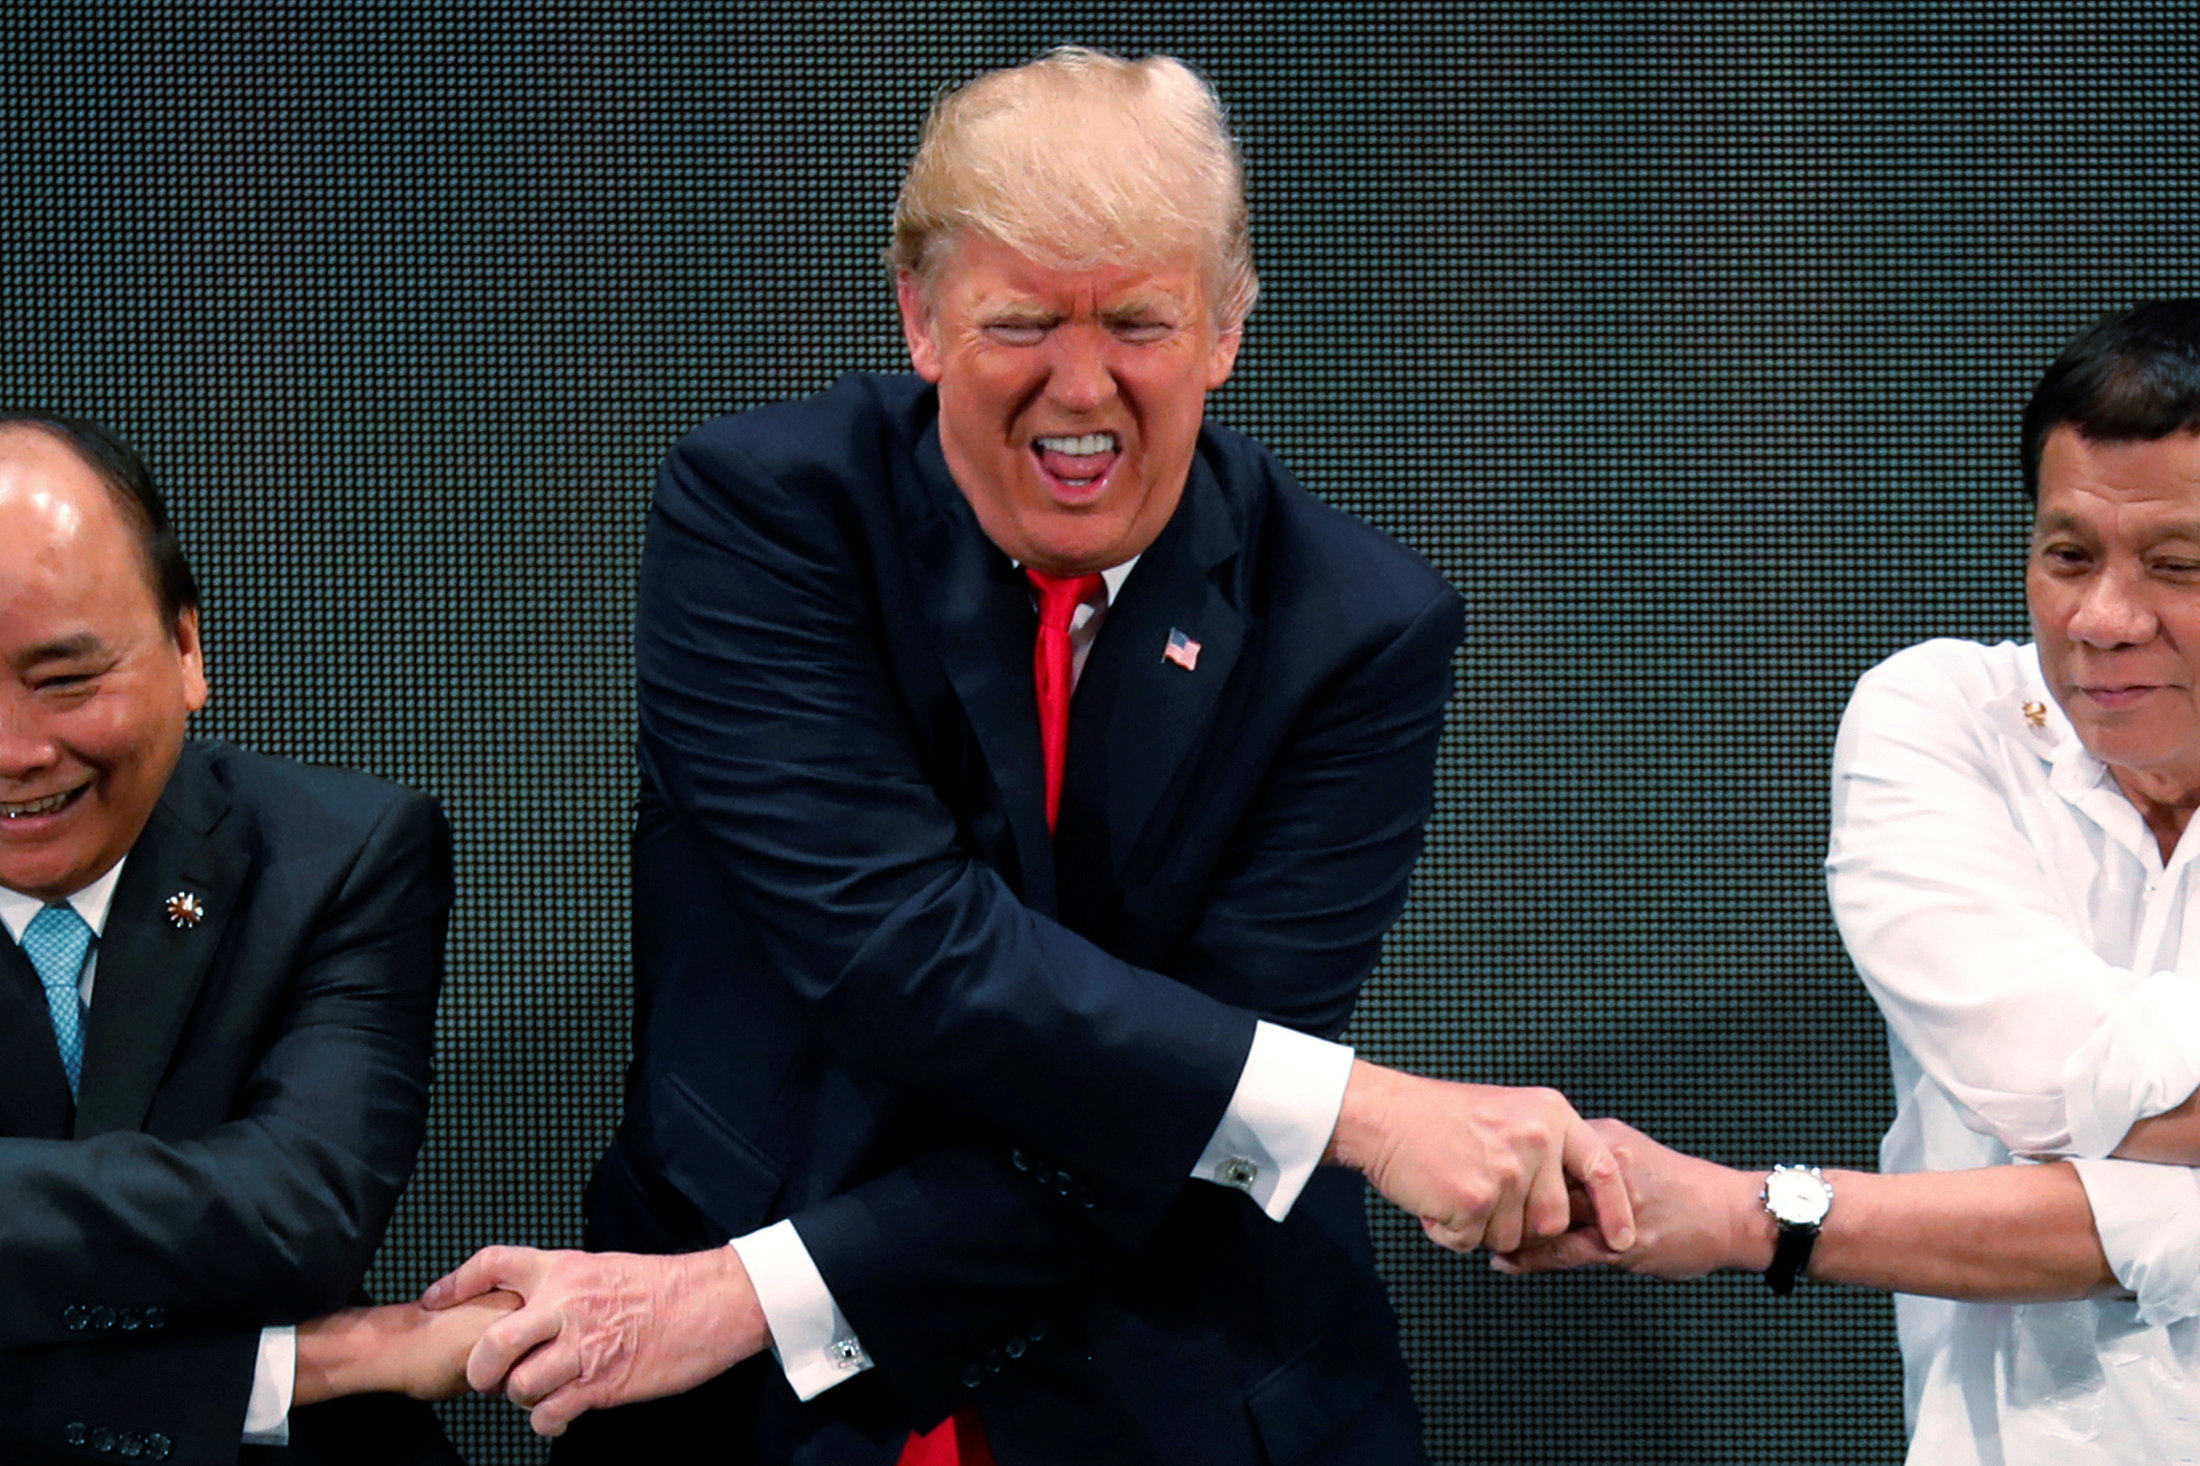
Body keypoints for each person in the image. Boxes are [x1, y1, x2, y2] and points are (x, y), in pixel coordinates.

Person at [425, 46, 1633, 1465]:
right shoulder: (765, 515)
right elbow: (906, 954)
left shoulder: (1359, 626)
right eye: (1020, 323)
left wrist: (756, 1296)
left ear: (1227, 330)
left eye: (1136, 319)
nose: (1081, 387)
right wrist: (1357, 1111)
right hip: (745, 1412)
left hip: (1171, 1379)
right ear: (921, 320)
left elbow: (1183, 1114)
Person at [1502, 301, 2200, 1466]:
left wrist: (1755, 1215)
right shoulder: (1938, 721)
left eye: (2173, 566)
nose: (2102, 620)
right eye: (2067, 553)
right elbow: (2045, 1079)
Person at [0, 416, 514, 1465]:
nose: (15, 749)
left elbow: (296, 1213)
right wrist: (305, 1366)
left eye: (63, 680)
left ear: (189, 648)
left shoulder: (343, 855)